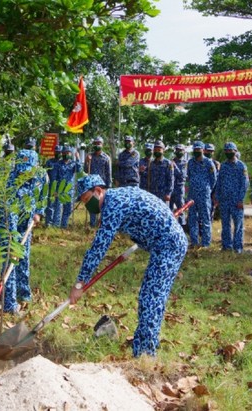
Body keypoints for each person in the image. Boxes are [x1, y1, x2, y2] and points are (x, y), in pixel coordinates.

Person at [68, 175, 187, 357]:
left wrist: (80, 283)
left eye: (86, 199)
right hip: (164, 242)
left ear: (98, 191)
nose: (87, 205)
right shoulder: (117, 196)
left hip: (168, 245)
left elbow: (98, 247)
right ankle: (147, 345)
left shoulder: (113, 205)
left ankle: (145, 354)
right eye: (83, 202)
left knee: (151, 298)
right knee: (152, 297)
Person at [0, 148, 45, 313]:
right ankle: (9, 304)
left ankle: (23, 293)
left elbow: (42, 195)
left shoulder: (38, 176)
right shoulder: (10, 183)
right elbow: (9, 215)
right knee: (11, 258)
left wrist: (39, 212)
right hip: (7, 225)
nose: (26, 175)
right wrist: (13, 242)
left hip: (26, 222)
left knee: (24, 257)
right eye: (23, 172)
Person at [214, 142, 248, 253]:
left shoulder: (241, 166)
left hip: (236, 200)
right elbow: (219, 182)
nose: (229, 153)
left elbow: (244, 184)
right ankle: (226, 246)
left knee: (238, 225)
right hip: (224, 200)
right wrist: (217, 197)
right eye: (227, 151)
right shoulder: (223, 165)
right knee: (225, 224)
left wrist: (241, 199)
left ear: (235, 151)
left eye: (231, 151)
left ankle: (237, 247)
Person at [187, 141, 217, 248]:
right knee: (192, 218)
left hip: (204, 195)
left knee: (205, 219)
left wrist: (207, 189)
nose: (196, 151)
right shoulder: (190, 162)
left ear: (203, 150)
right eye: (195, 149)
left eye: (198, 149)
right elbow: (189, 176)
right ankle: (194, 242)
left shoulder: (209, 163)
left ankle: (205, 243)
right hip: (192, 195)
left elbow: (213, 179)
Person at [84, 136, 111, 227]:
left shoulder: (106, 158)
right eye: (95, 143)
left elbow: (109, 173)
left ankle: (101, 224)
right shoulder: (90, 156)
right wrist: (86, 161)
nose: (97, 145)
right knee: (93, 205)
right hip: (92, 185)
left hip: (102, 186)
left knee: (102, 205)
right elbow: (85, 171)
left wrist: (108, 187)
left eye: (98, 143)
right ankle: (92, 224)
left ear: (102, 145)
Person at [51, 145, 82, 228]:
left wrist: (78, 158)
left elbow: (79, 169)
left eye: (68, 153)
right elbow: (54, 178)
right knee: (58, 209)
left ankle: (64, 225)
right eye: (64, 153)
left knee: (68, 209)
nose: (66, 154)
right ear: (62, 153)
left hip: (69, 190)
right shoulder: (57, 164)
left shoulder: (73, 164)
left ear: (71, 154)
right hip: (59, 190)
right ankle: (55, 226)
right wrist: (54, 190)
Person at [146, 141, 174, 205]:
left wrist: (168, 194)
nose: (157, 151)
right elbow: (149, 178)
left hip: (163, 194)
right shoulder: (151, 163)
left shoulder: (168, 163)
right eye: (155, 150)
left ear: (163, 151)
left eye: (159, 150)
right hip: (152, 193)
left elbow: (171, 179)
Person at [170, 144, 188, 227]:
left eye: (181, 150)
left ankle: (182, 227)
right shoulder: (171, 161)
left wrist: (175, 166)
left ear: (184, 152)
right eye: (177, 150)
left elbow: (181, 175)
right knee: (169, 209)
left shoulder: (185, 163)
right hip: (171, 188)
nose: (179, 152)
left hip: (179, 188)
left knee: (180, 209)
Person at [204, 143, 221, 219]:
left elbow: (218, 179)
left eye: (211, 151)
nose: (209, 153)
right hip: (202, 190)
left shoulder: (216, 164)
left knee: (210, 210)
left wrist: (215, 193)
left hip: (213, 191)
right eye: (208, 151)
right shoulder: (199, 162)